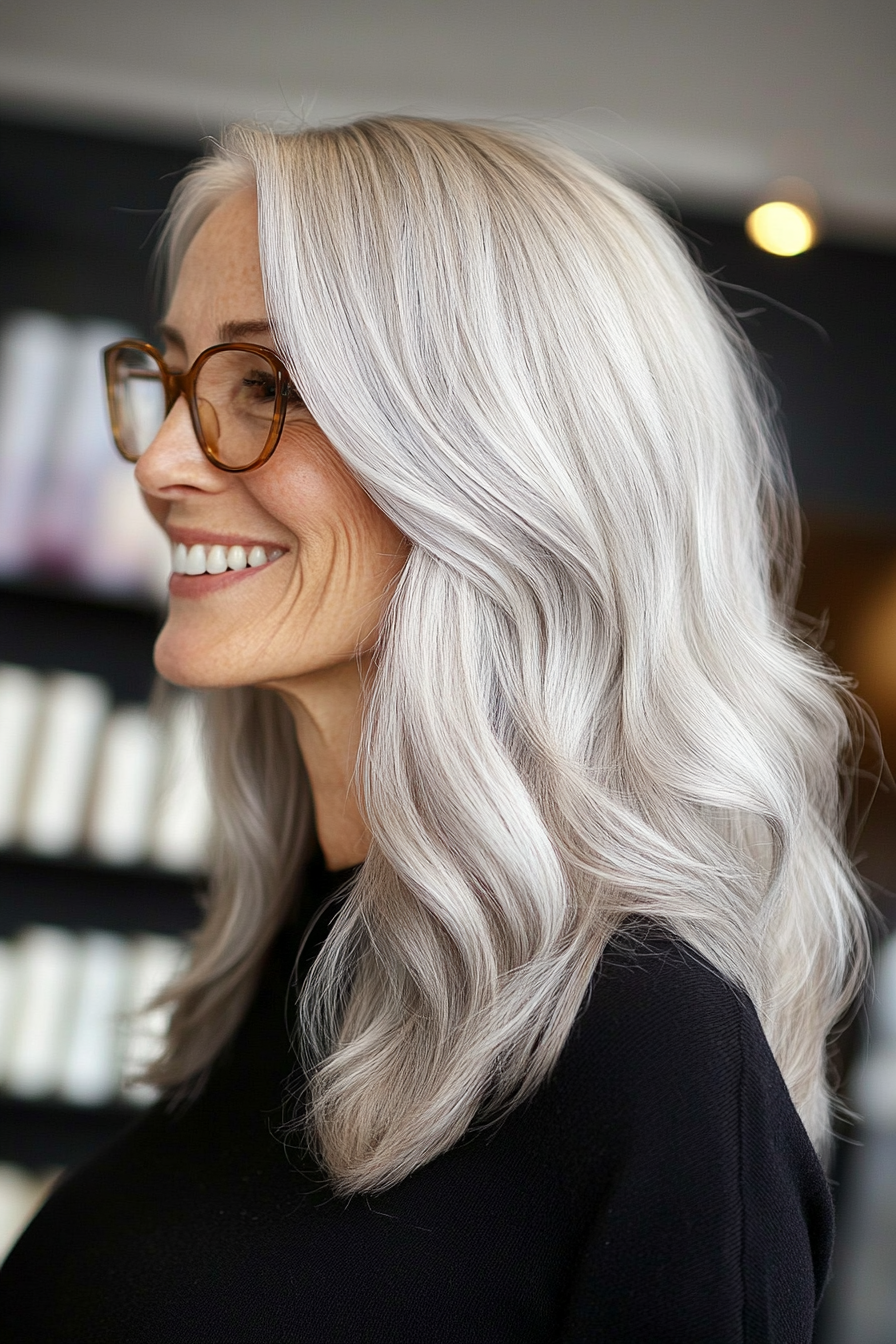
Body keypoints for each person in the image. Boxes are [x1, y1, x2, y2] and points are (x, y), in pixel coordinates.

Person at [0, 116, 871, 1341]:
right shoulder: (305, 951)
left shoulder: (650, 1061)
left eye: (265, 387)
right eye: (177, 376)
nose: (160, 466)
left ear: (495, 463)